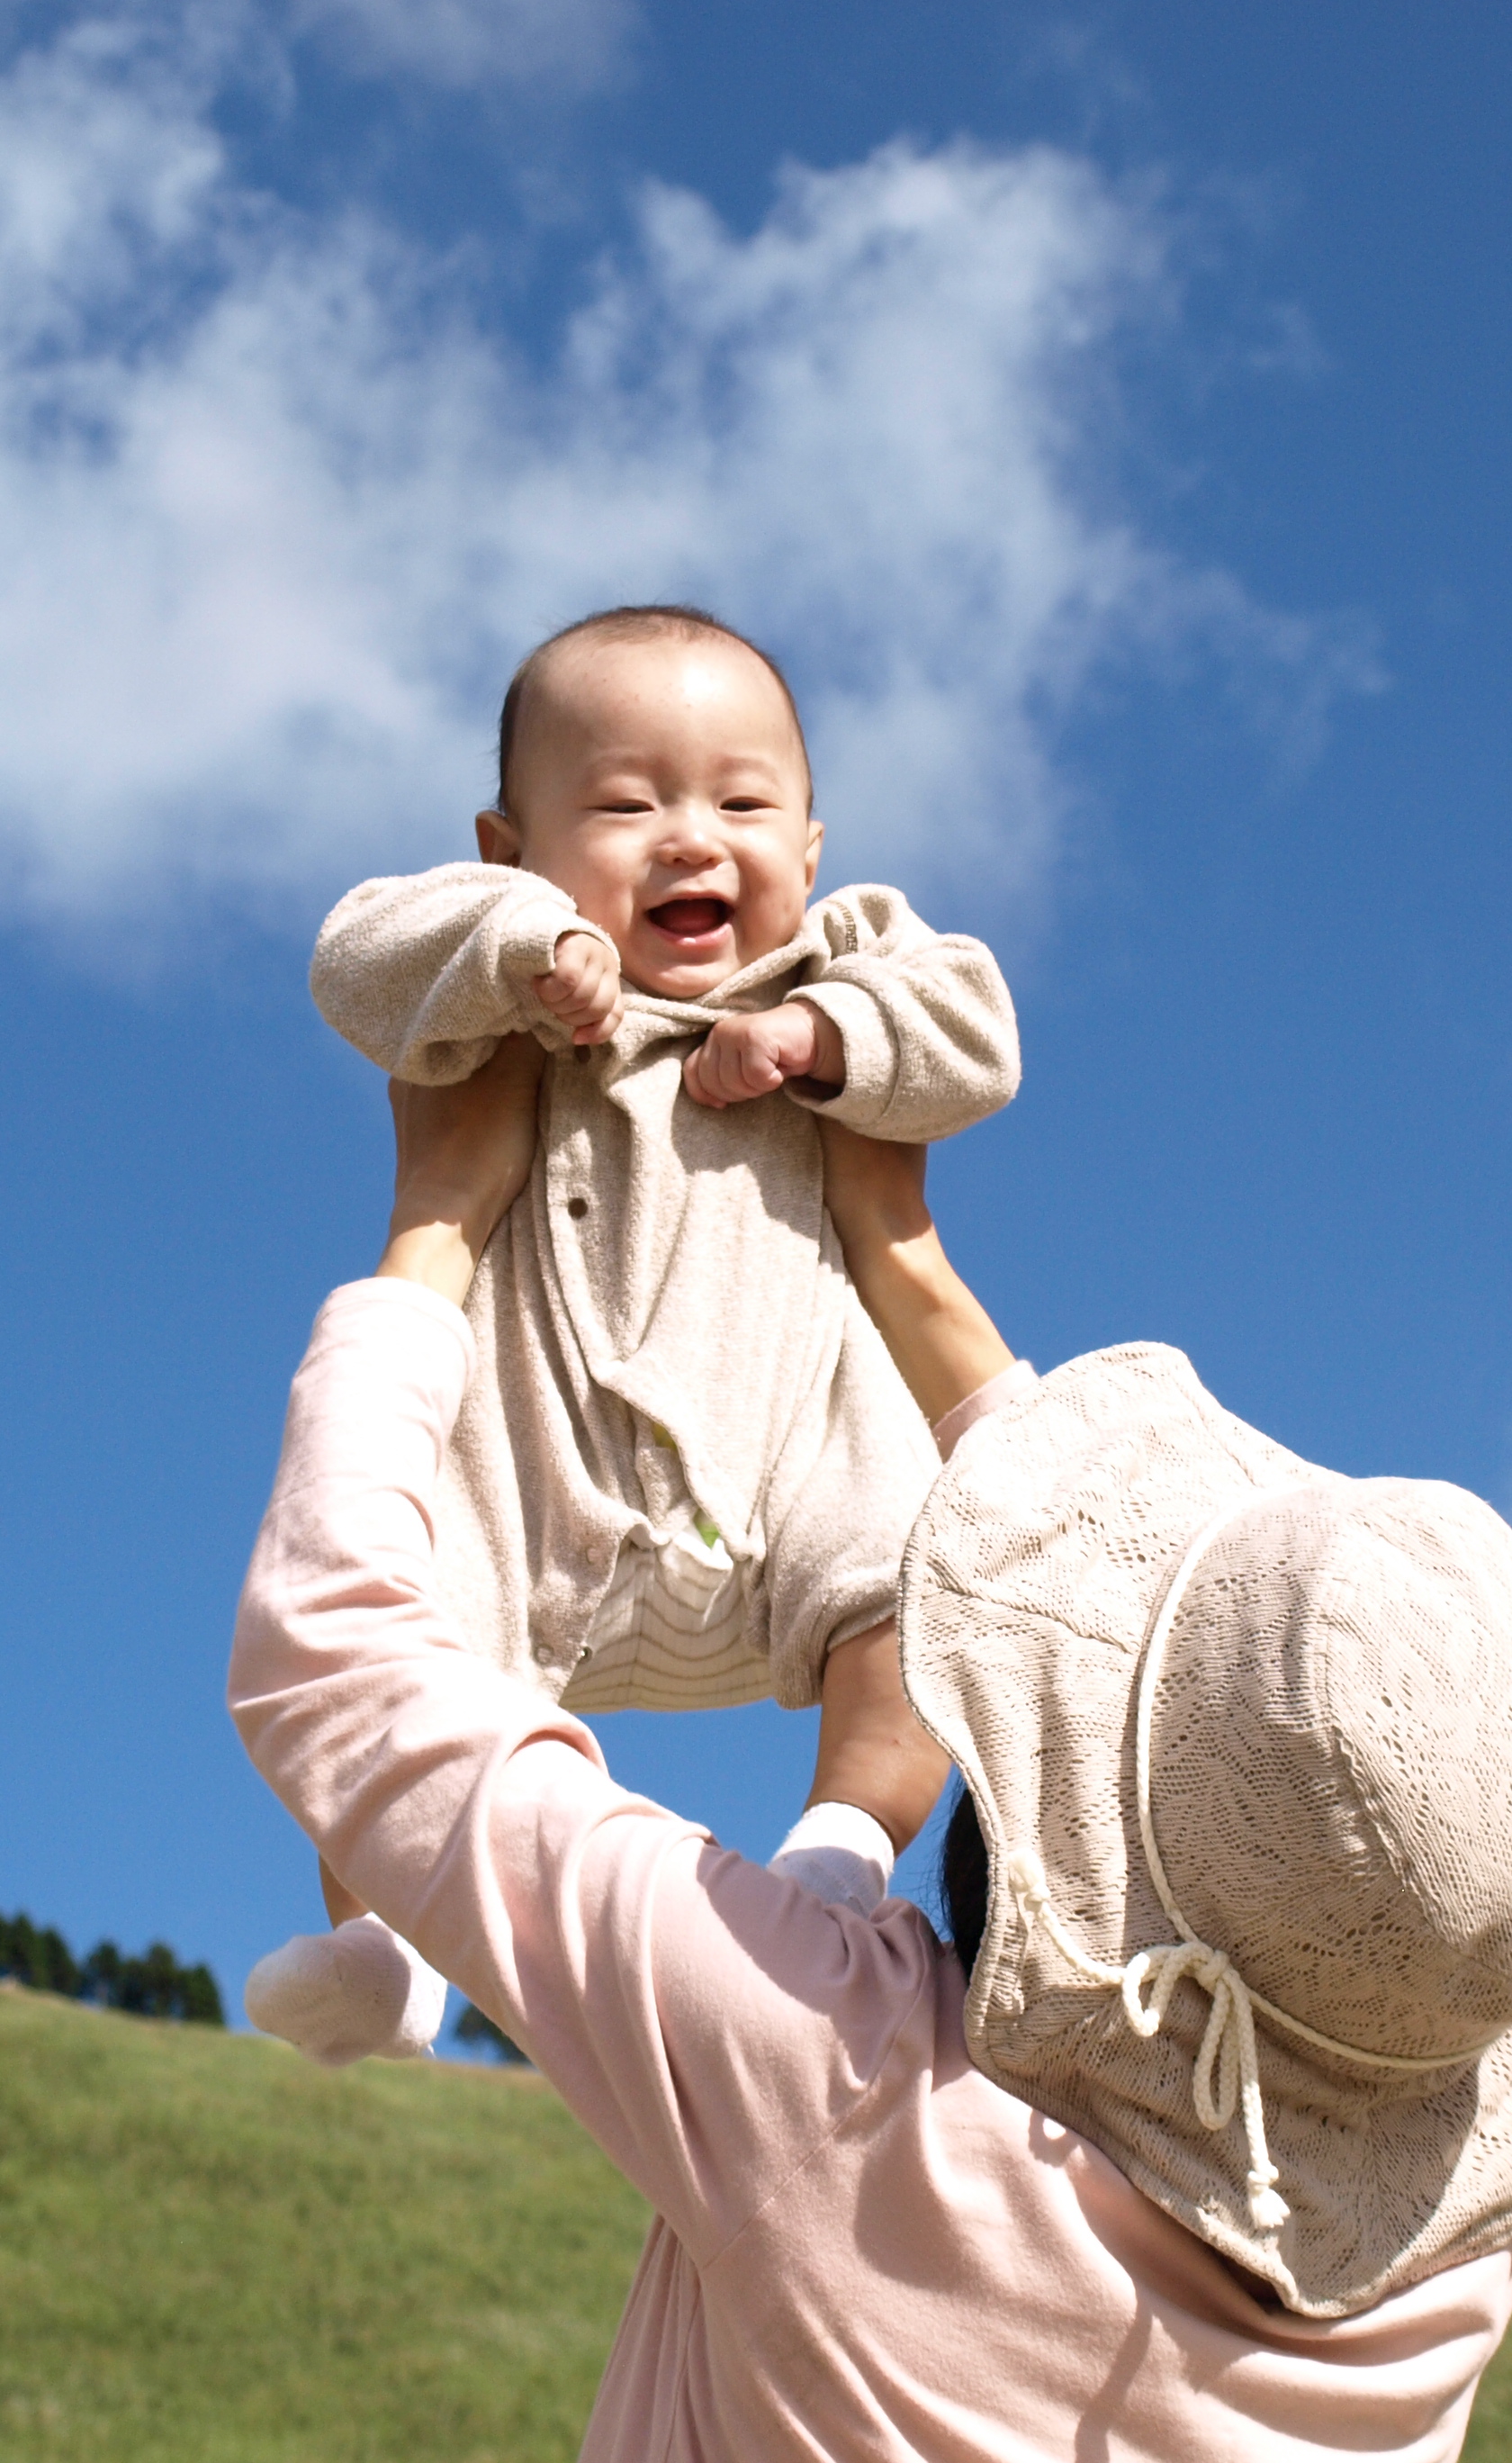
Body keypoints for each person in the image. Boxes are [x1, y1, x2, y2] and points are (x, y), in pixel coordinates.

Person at [226, 1042, 1512, 2457]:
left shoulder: (834, 2097)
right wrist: (900, 1254)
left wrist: (435, 1227)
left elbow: (335, 1660)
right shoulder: (1442, 2287)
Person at [247, 605, 1018, 2064]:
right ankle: (390, 1948)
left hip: (786, 1464)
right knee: (395, 1616)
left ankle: (839, 1852)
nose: (687, 838)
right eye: (621, 804)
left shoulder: (838, 964)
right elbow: (356, 954)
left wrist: (826, 1038)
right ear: (507, 843)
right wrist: (523, 950)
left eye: (741, 802)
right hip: (540, 1473)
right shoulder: (505, 988)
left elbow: (977, 1033)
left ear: (810, 848)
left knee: (927, 1591)